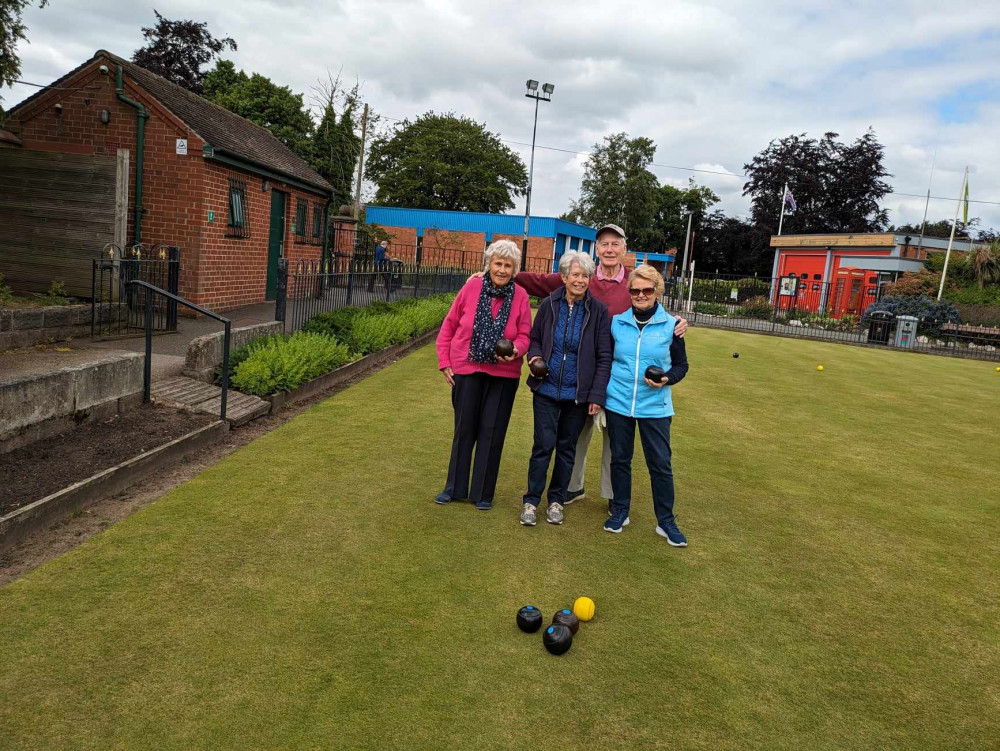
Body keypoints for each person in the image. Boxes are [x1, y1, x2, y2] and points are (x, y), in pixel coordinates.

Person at [511, 224, 688, 511]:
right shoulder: (584, 275)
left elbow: (651, 303)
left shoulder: (634, 280)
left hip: (619, 372)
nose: (609, 249)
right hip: (583, 373)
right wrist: (506, 274)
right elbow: (541, 281)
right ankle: (572, 487)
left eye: (615, 244)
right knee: (576, 435)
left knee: (613, 441)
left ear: (624, 249)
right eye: (604, 244)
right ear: (597, 249)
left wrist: (676, 322)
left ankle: (612, 495)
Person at [436, 239, 533, 510]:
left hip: (503, 373)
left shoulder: (521, 296)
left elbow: (525, 334)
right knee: (464, 429)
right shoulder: (471, 287)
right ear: (489, 264)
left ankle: (483, 493)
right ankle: (454, 488)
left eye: (508, 265)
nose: (502, 269)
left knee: (492, 432)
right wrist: (445, 361)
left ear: (514, 269)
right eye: (498, 263)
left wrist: (515, 349)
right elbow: (450, 325)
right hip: (467, 368)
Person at [520, 251, 612, 527]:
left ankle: (557, 501)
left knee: (566, 449)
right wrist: (535, 358)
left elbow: (603, 356)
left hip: (577, 395)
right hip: (546, 390)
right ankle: (531, 501)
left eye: (585, 276)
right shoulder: (549, 305)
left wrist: (596, 395)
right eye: (575, 275)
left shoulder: (598, 312)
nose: (580, 280)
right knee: (542, 447)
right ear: (563, 277)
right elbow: (535, 339)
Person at [602, 264, 690, 546]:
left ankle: (666, 521)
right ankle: (620, 510)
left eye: (647, 290)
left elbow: (681, 366)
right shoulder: (617, 322)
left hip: (656, 407)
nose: (641, 295)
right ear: (629, 292)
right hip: (619, 402)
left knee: (660, 464)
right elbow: (606, 359)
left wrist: (666, 379)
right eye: (635, 290)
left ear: (657, 291)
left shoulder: (671, 325)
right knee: (620, 459)